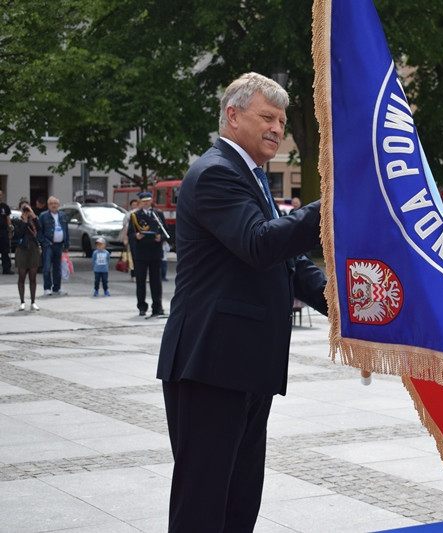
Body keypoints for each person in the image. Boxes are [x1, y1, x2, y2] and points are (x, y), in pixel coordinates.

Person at [157, 72, 327, 531]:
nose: (278, 128)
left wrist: (352, 308)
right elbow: (258, 244)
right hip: (211, 363)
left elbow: (288, 266)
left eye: (283, 120)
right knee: (204, 502)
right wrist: (328, 203)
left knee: (239, 500)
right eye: (267, 117)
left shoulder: (250, 176)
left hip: (244, 364)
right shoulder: (215, 173)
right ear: (233, 116)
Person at [128, 192, 168, 317]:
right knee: (141, 281)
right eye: (143, 202)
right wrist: (136, 236)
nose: (146, 203)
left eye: (148, 201)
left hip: (155, 252)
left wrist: (160, 238)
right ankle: (142, 306)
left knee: (156, 281)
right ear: (140, 202)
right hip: (141, 252)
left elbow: (165, 231)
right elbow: (130, 234)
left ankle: (157, 306)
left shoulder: (158, 214)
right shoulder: (135, 216)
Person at [38, 196, 70, 296]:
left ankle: (57, 287)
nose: (53, 205)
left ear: (58, 205)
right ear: (48, 205)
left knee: (57, 267)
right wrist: (43, 242)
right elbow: (39, 231)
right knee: (47, 267)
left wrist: (67, 244)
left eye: (55, 203)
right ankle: (47, 287)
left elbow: (66, 230)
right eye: (51, 203)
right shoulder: (43, 216)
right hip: (48, 245)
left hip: (59, 245)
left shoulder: (62, 216)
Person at [12, 202, 41, 311]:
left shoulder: (33, 220)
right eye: (23, 208)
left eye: (26, 208)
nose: (25, 210)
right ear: (19, 209)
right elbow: (18, 234)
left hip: (33, 249)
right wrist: (24, 221)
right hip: (22, 249)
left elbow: (39, 229)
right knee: (22, 277)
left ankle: (33, 301)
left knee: (33, 277)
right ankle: (22, 301)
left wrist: (33, 215)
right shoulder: (17, 221)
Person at [120, 198, 139, 282]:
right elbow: (126, 227)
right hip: (133, 237)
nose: (134, 206)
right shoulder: (130, 214)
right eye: (133, 205)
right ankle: (133, 274)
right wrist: (125, 238)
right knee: (132, 257)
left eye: (136, 204)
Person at [0, 190, 12, 274]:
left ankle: (6, 269)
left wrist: (10, 231)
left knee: (5, 251)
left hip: (3, 231)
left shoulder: (5, 207)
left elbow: (8, 219)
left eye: (0, 195)